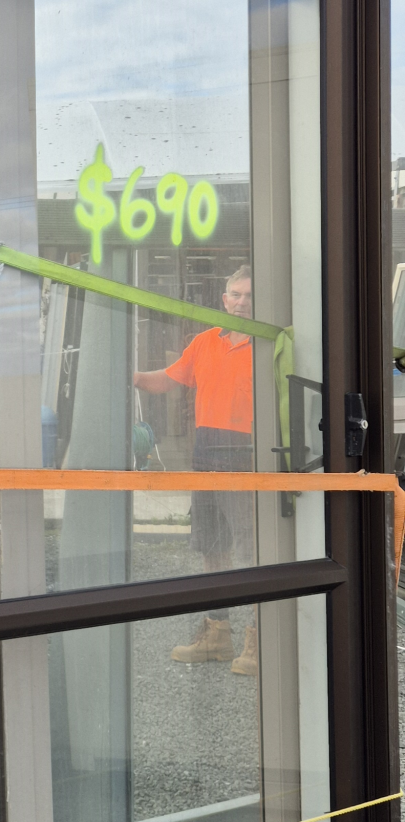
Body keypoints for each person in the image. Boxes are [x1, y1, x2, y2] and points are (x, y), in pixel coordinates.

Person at [132, 264, 257, 675]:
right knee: (212, 547)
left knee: (253, 550)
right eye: (235, 294)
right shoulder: (205, 342)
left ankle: (259, 639)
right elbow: (167, 380)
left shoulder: (267, 345)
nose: (241, 302)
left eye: (249, 295)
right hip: (206, 453)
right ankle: (217, 635)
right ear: (224, 300)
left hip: (248, 455)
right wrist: (131, 377)